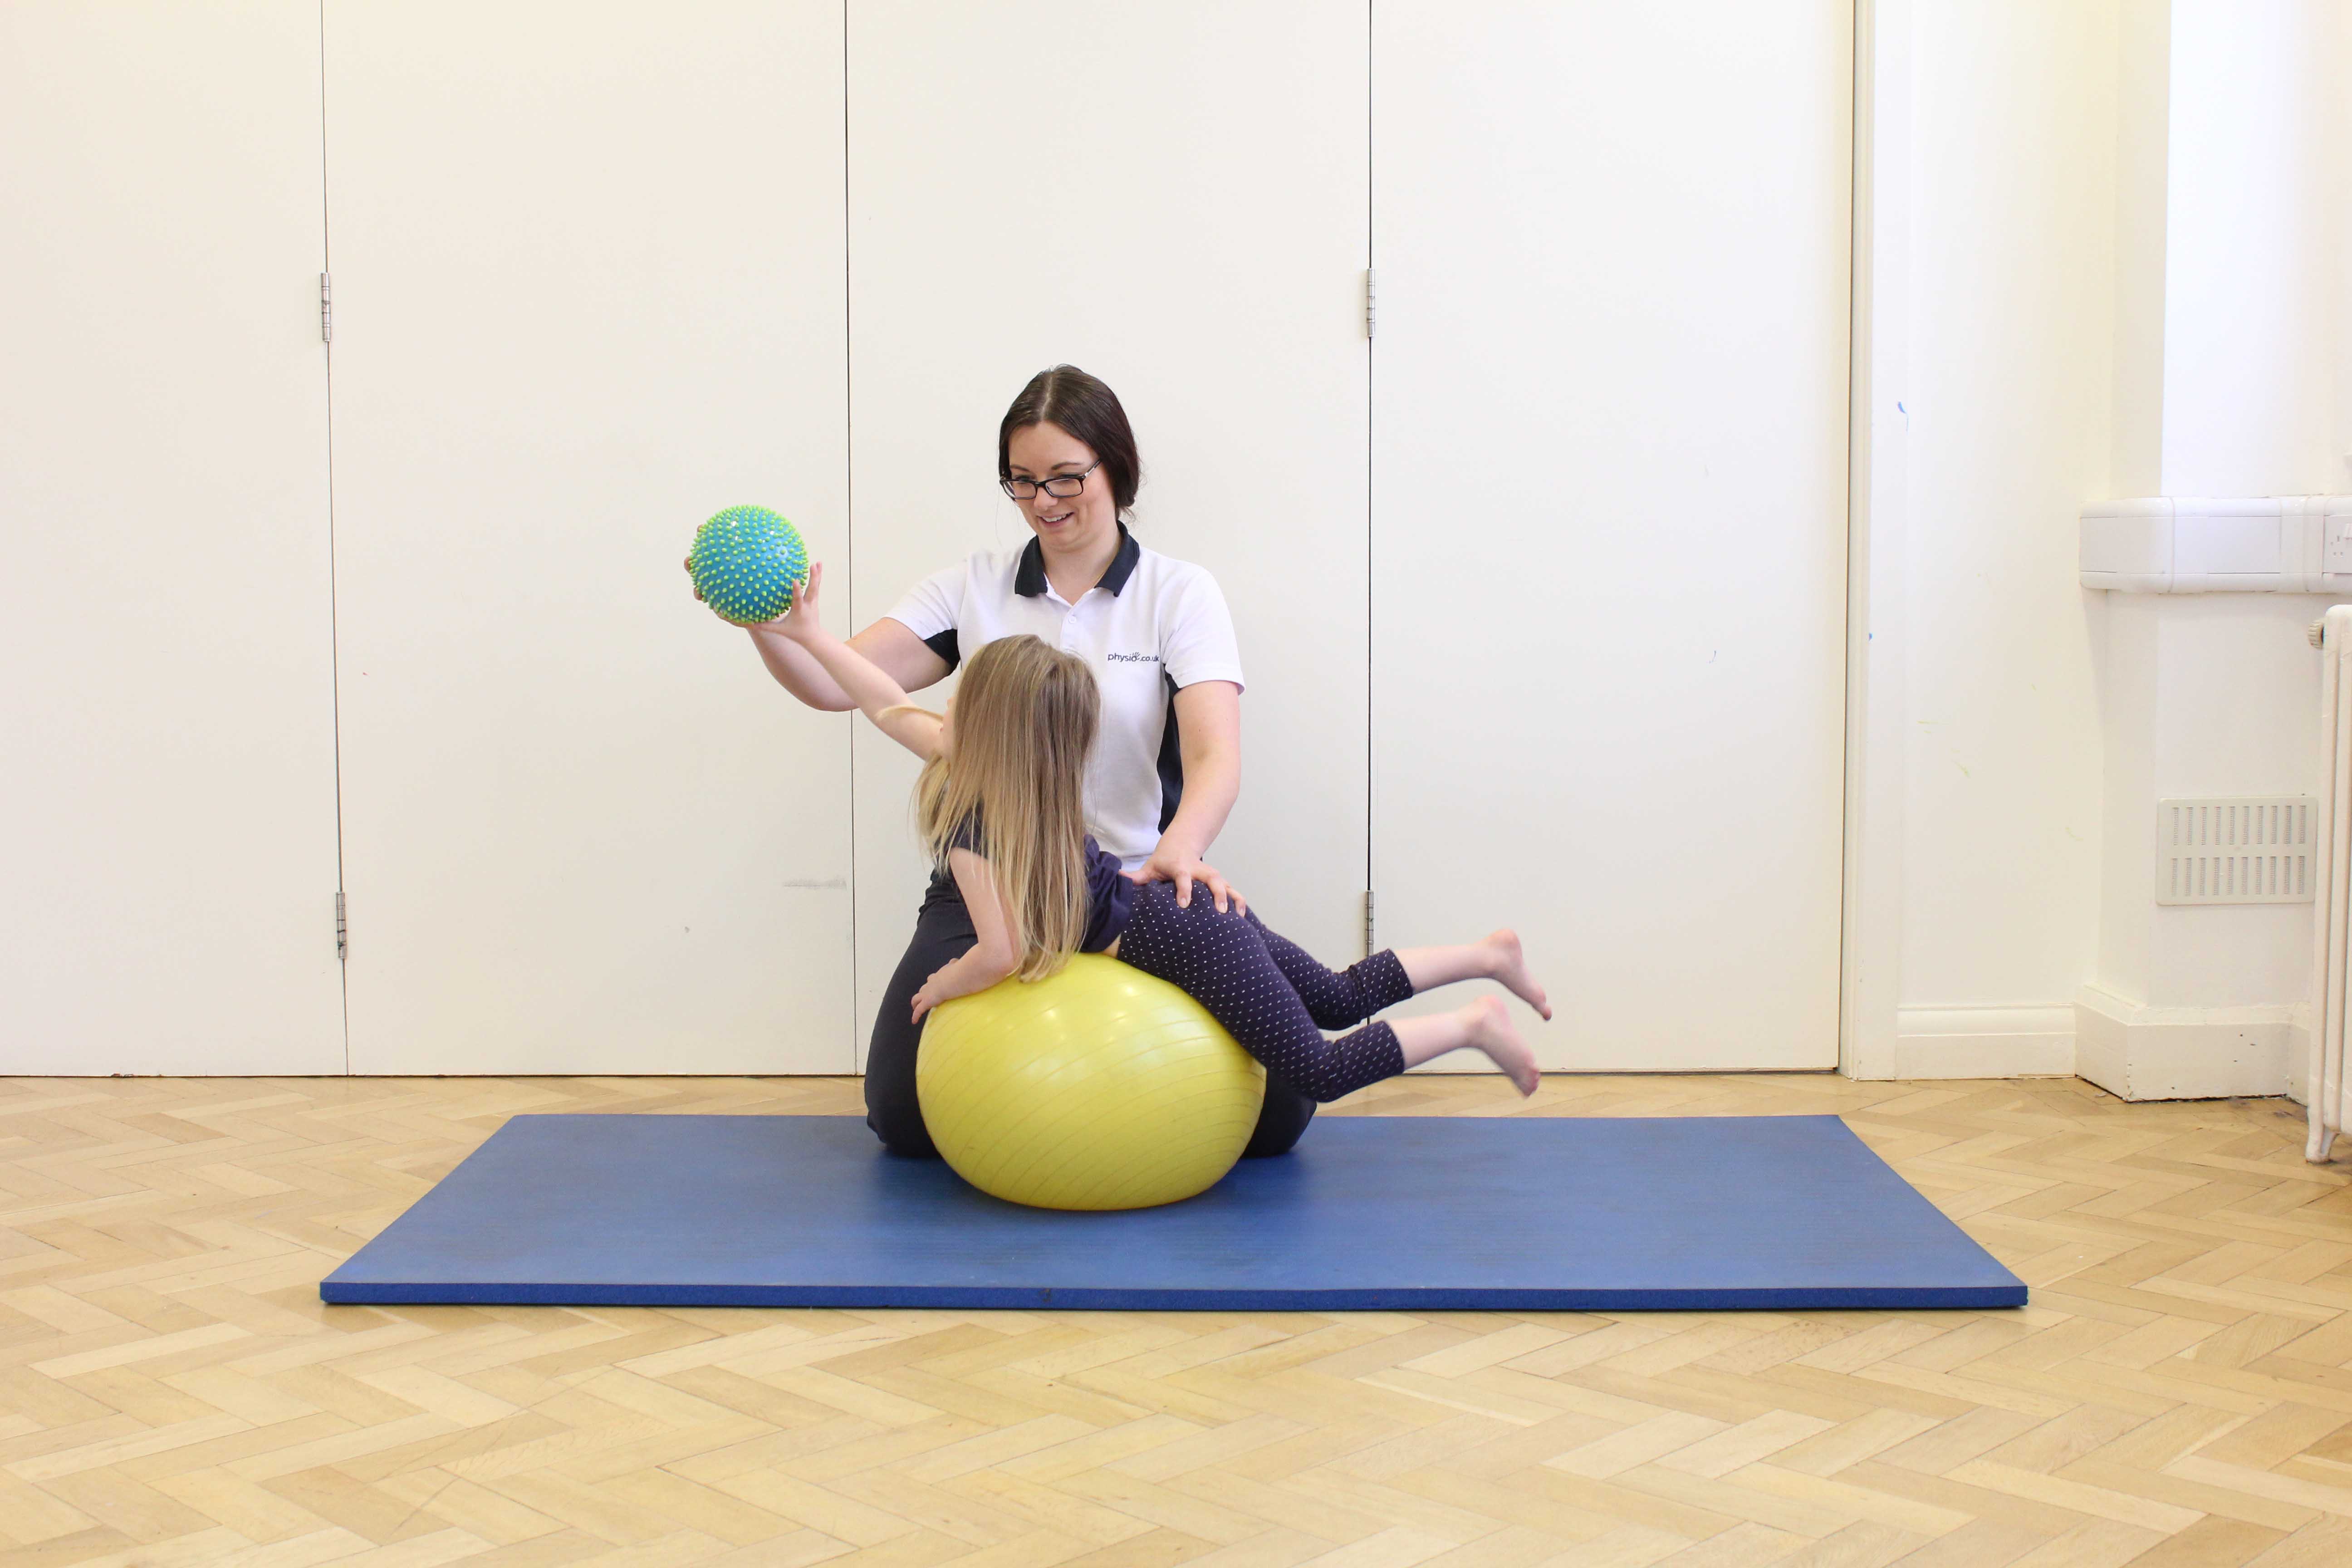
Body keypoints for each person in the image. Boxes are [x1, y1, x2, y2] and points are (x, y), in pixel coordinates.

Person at [696, 366, 1300, 1156]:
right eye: (1022, 483)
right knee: (902, 1117)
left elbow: (1216, 753)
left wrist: (1180, 852)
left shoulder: (1178, 594)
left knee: (1284, 1108)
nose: (1044, 502)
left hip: (1125, 881)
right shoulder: (971, 589)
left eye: (1064, 478)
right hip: (991, 882)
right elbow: (836, 684)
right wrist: (764, 619)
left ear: (1117, 469)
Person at [771, 578, 1551, 1102]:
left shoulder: (978, 825)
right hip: (1192, 921)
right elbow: (878, 701)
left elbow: (1000, 952)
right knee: (1337, 995)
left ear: (978, 719)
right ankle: (1487, 953)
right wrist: (807, 631)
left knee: (1314, 1070)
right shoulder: (1006, 777)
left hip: (1189, 943)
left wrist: (942, 986)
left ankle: (1472, 1024)